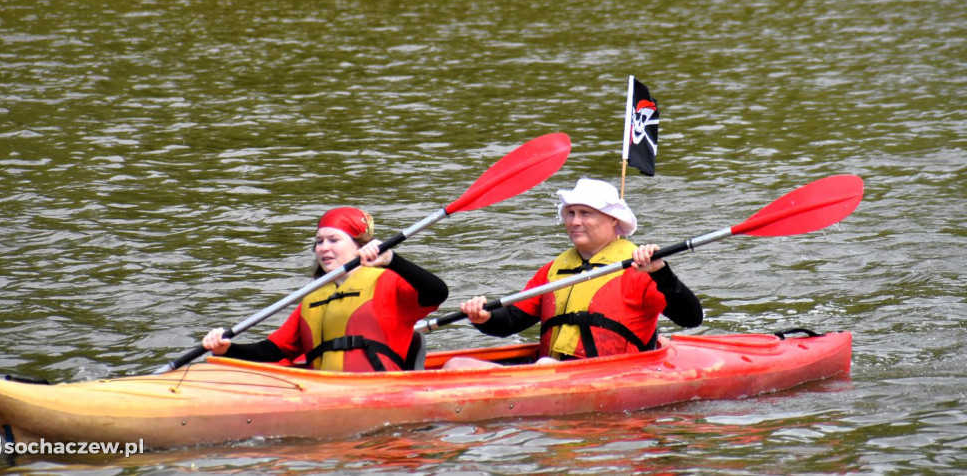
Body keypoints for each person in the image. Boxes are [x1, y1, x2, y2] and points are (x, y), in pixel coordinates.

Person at [444, 178, 702, 369]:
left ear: (613, 220)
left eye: (585, 213)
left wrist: (661, 272)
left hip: (614, 373)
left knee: (543, 366)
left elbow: (691, 318)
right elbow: (512, 320)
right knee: (456, 365)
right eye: (570, 213)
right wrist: (484, 317)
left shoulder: (641, 268)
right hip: (555, 370)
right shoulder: (553, 270)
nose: (574, 222)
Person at [202, 206, 448, 372]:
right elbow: (272, 352)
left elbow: (437, 293)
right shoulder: (313, 296)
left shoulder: (387, 281)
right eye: (319, 241)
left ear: (358, 245)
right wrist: (227, 349)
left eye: (333, 240)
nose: (323, 248)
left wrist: (393, 260)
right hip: (322, 390)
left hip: (377, 388)